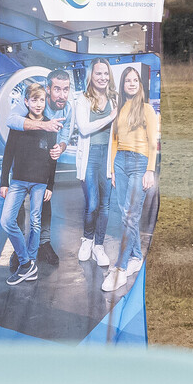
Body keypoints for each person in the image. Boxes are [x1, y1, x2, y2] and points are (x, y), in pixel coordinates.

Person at [2, 68, 75, 266]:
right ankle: (20, 249)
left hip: (43, 164)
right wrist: (44, 125)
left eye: (66, 89)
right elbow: (11, 120)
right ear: (48, 89)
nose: (62, 94)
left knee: (45, 202)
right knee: (17, 210)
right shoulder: (32, 98)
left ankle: (43, 244)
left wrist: (60, 147)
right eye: (57, 89)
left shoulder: (68, 108)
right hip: (24, 163)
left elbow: (65, 135)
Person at [101, 63, 161, 294]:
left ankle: (120, 269)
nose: (132, 83)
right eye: (128, 80)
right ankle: (136, 256)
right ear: (123, 84)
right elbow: (115, 140)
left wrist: (149, 170)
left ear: (140, 84)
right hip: (120, 164)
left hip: (139, 164)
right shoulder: (120, 109)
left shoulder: (146, 109)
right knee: (127, 215)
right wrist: (113, 170)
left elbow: (153, 142)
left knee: (129, 215)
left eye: (135, 80)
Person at [0, 82, 58, 286]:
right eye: (34, 100)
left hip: (40, 182)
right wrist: (4, 181)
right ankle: (26, 262)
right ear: (26, 101)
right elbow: (9, 153)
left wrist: (50, 185)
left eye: (42, 100)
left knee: (35, 222)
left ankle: (30, 262)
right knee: (6, 220)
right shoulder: (19, 124)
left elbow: (53, 159)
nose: (38, 104)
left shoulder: (51, 125)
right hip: (18, 180)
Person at [70, 61, 119, 266]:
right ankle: (87, 240)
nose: (102, 77)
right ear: (92, 75)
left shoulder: (115, 98)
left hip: (108, 157)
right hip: (90, 157)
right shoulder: (83, 99)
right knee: (92, 204)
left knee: (105, 206)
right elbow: (84, 128)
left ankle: (99, 246)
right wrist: (109, 118)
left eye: (105, 73)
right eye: (98, 73)